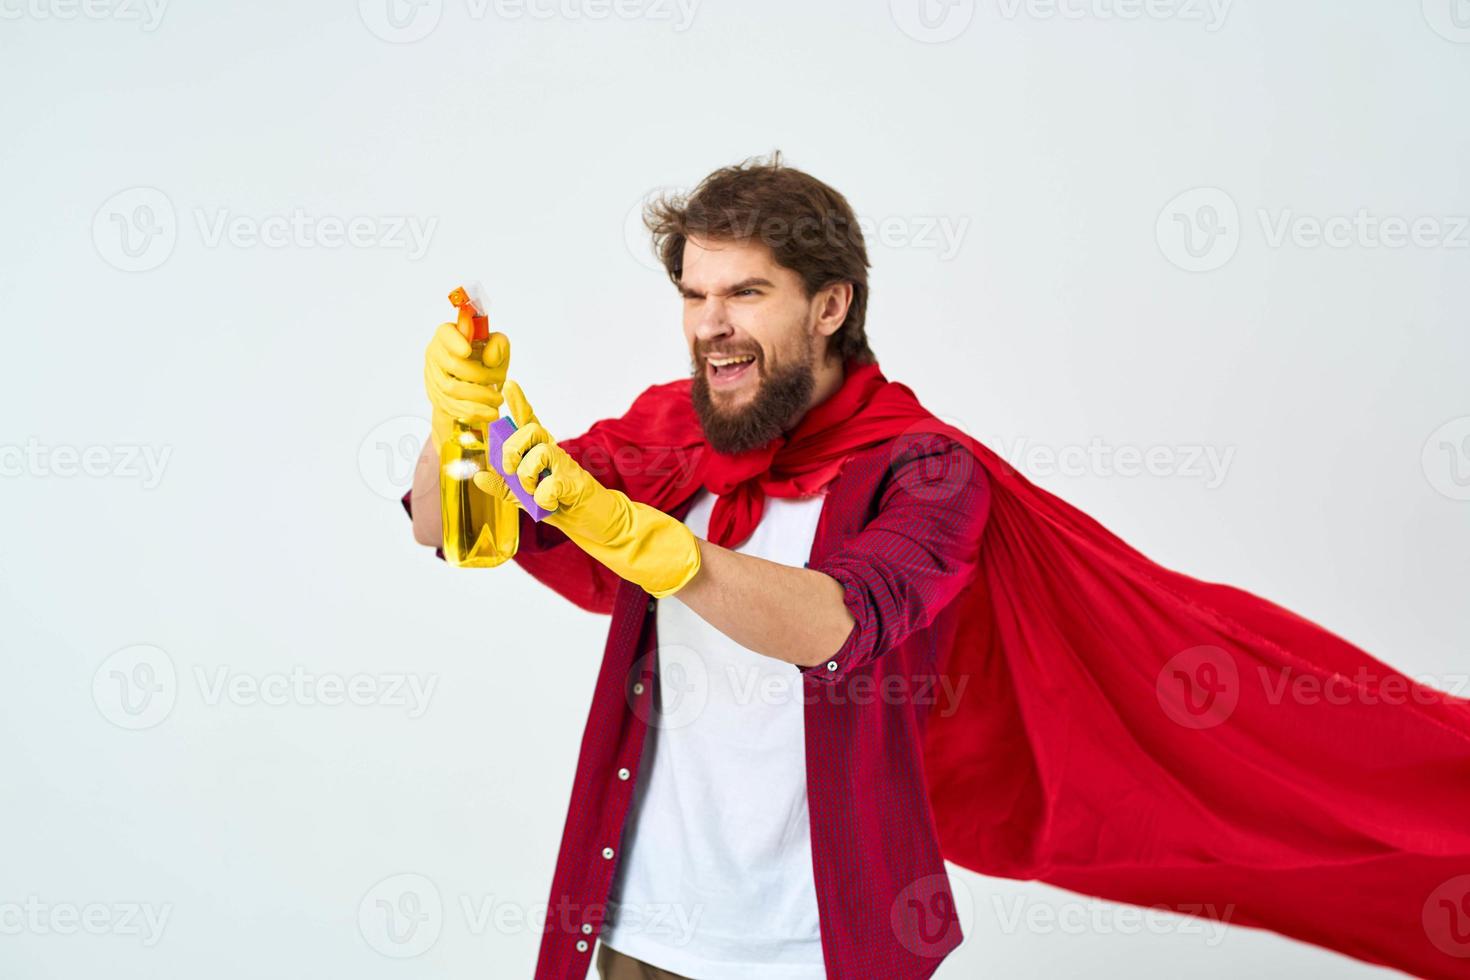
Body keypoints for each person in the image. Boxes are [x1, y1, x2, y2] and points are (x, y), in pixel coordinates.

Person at [405, 154, 1470, 980]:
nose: (710, 325)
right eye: (694, 294)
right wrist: (462, 422)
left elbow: (839, 622)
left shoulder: (925, 472)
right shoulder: (668, 436)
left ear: (830, 306)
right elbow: (451, 525)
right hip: (633, 923)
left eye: (746, 293)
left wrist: (654, 545)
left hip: (817, 946)